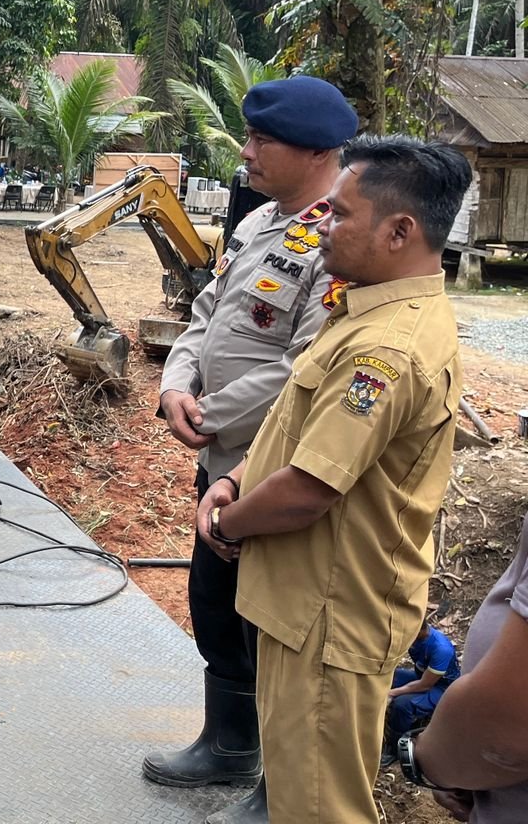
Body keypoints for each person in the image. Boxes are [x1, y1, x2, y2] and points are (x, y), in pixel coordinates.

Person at [197, 136, 473, 824]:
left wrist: (227, 522)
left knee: (320, 809)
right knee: (298, 793)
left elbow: (309, 489)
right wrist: (238, 480)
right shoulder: (368, 311)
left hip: (328, 614)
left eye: (341, 213)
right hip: (308, 605)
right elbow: (301, 427)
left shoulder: (386, 348)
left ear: (399, 231)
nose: (322, 225)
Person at [144, 75, 359, 821]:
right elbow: (206, 312)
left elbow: (305, 366)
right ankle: (229, 744)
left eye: (263, 140)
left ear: (318, 151)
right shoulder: (260, 221)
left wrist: (210, 411)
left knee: (272, 623)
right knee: (215, 602)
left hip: (272, 463)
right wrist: (176, 384)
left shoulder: (340, 240)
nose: (246, 151)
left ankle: (279, 788)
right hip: (218, 459)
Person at [406, 511, 528, 822]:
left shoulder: (438, 647)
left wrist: (423, 761)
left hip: (440, 693)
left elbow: (504, 733)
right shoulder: (419, 643)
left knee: (404, 705)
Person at [384, 620, 460, 742]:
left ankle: (395, 743)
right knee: (390, 677)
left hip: (442, 688)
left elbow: (425, 685)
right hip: (422, 676)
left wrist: (391, 693)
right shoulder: (414, 637)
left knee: (402, 704)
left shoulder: (441, 649)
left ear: (418, 630)